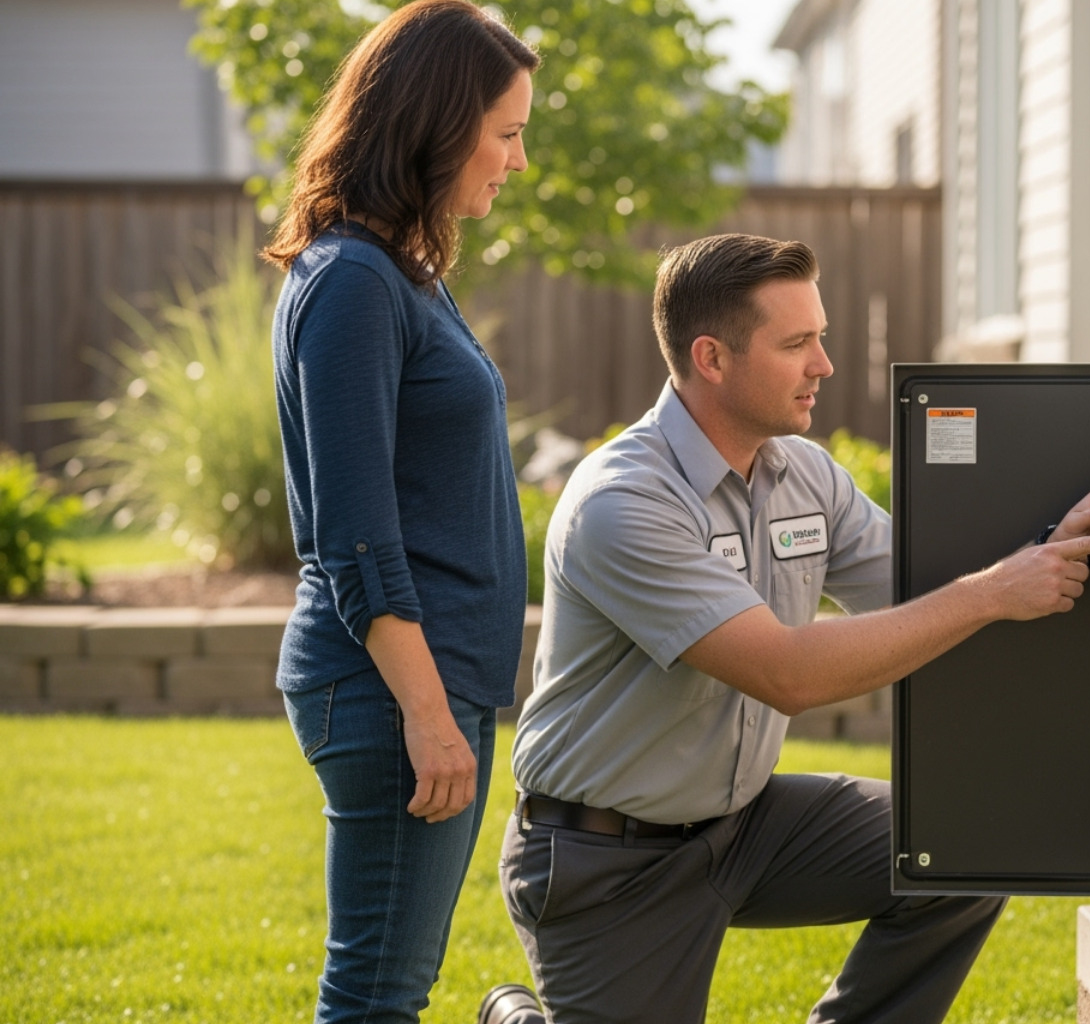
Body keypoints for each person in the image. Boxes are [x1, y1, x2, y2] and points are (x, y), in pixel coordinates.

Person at [480, 233, 1090, 1024]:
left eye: (820, 337)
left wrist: (1049, 550)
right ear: (712, 358)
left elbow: (921, 592)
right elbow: (788, 673)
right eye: (797, 344)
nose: (824, 364)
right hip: (607, 857)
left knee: (966, 846)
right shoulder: (623, 503)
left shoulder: (804, 474)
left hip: (748, 825)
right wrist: (993, 592)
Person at [264, 4, 540, 1022]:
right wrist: (428, 715)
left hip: (421, 687)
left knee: (387, 990)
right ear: (434, 123)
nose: (518, 159)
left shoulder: (399, 275)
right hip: (389, 693)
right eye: (506, 132)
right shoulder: (352, 284)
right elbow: (356, 534)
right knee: (377, 999)